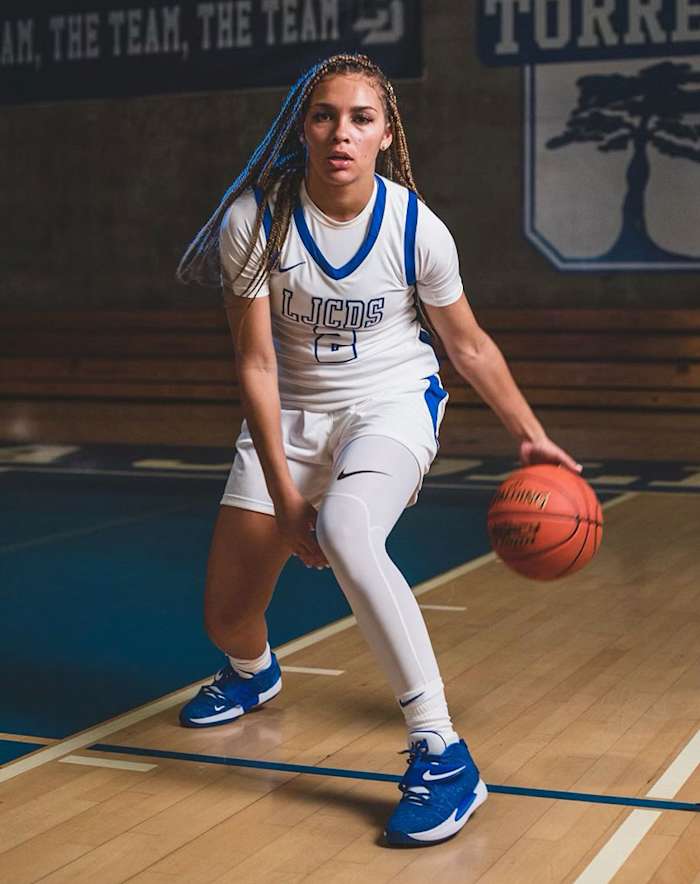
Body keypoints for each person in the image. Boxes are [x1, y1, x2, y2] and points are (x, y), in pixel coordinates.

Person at [175, 53, 581, 847]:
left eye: (361, 118)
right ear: (304, 125)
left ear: (385, 134)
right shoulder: (252, 220)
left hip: (390, 403)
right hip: (290, 416)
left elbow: (466, 346)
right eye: (326, 114)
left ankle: (442, 751)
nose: (341, 132)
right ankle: (254, 674)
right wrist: (288, 500)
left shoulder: (414, 227)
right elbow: (255, 363)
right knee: (227, 618)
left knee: (349, 530)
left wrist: (531, 436)